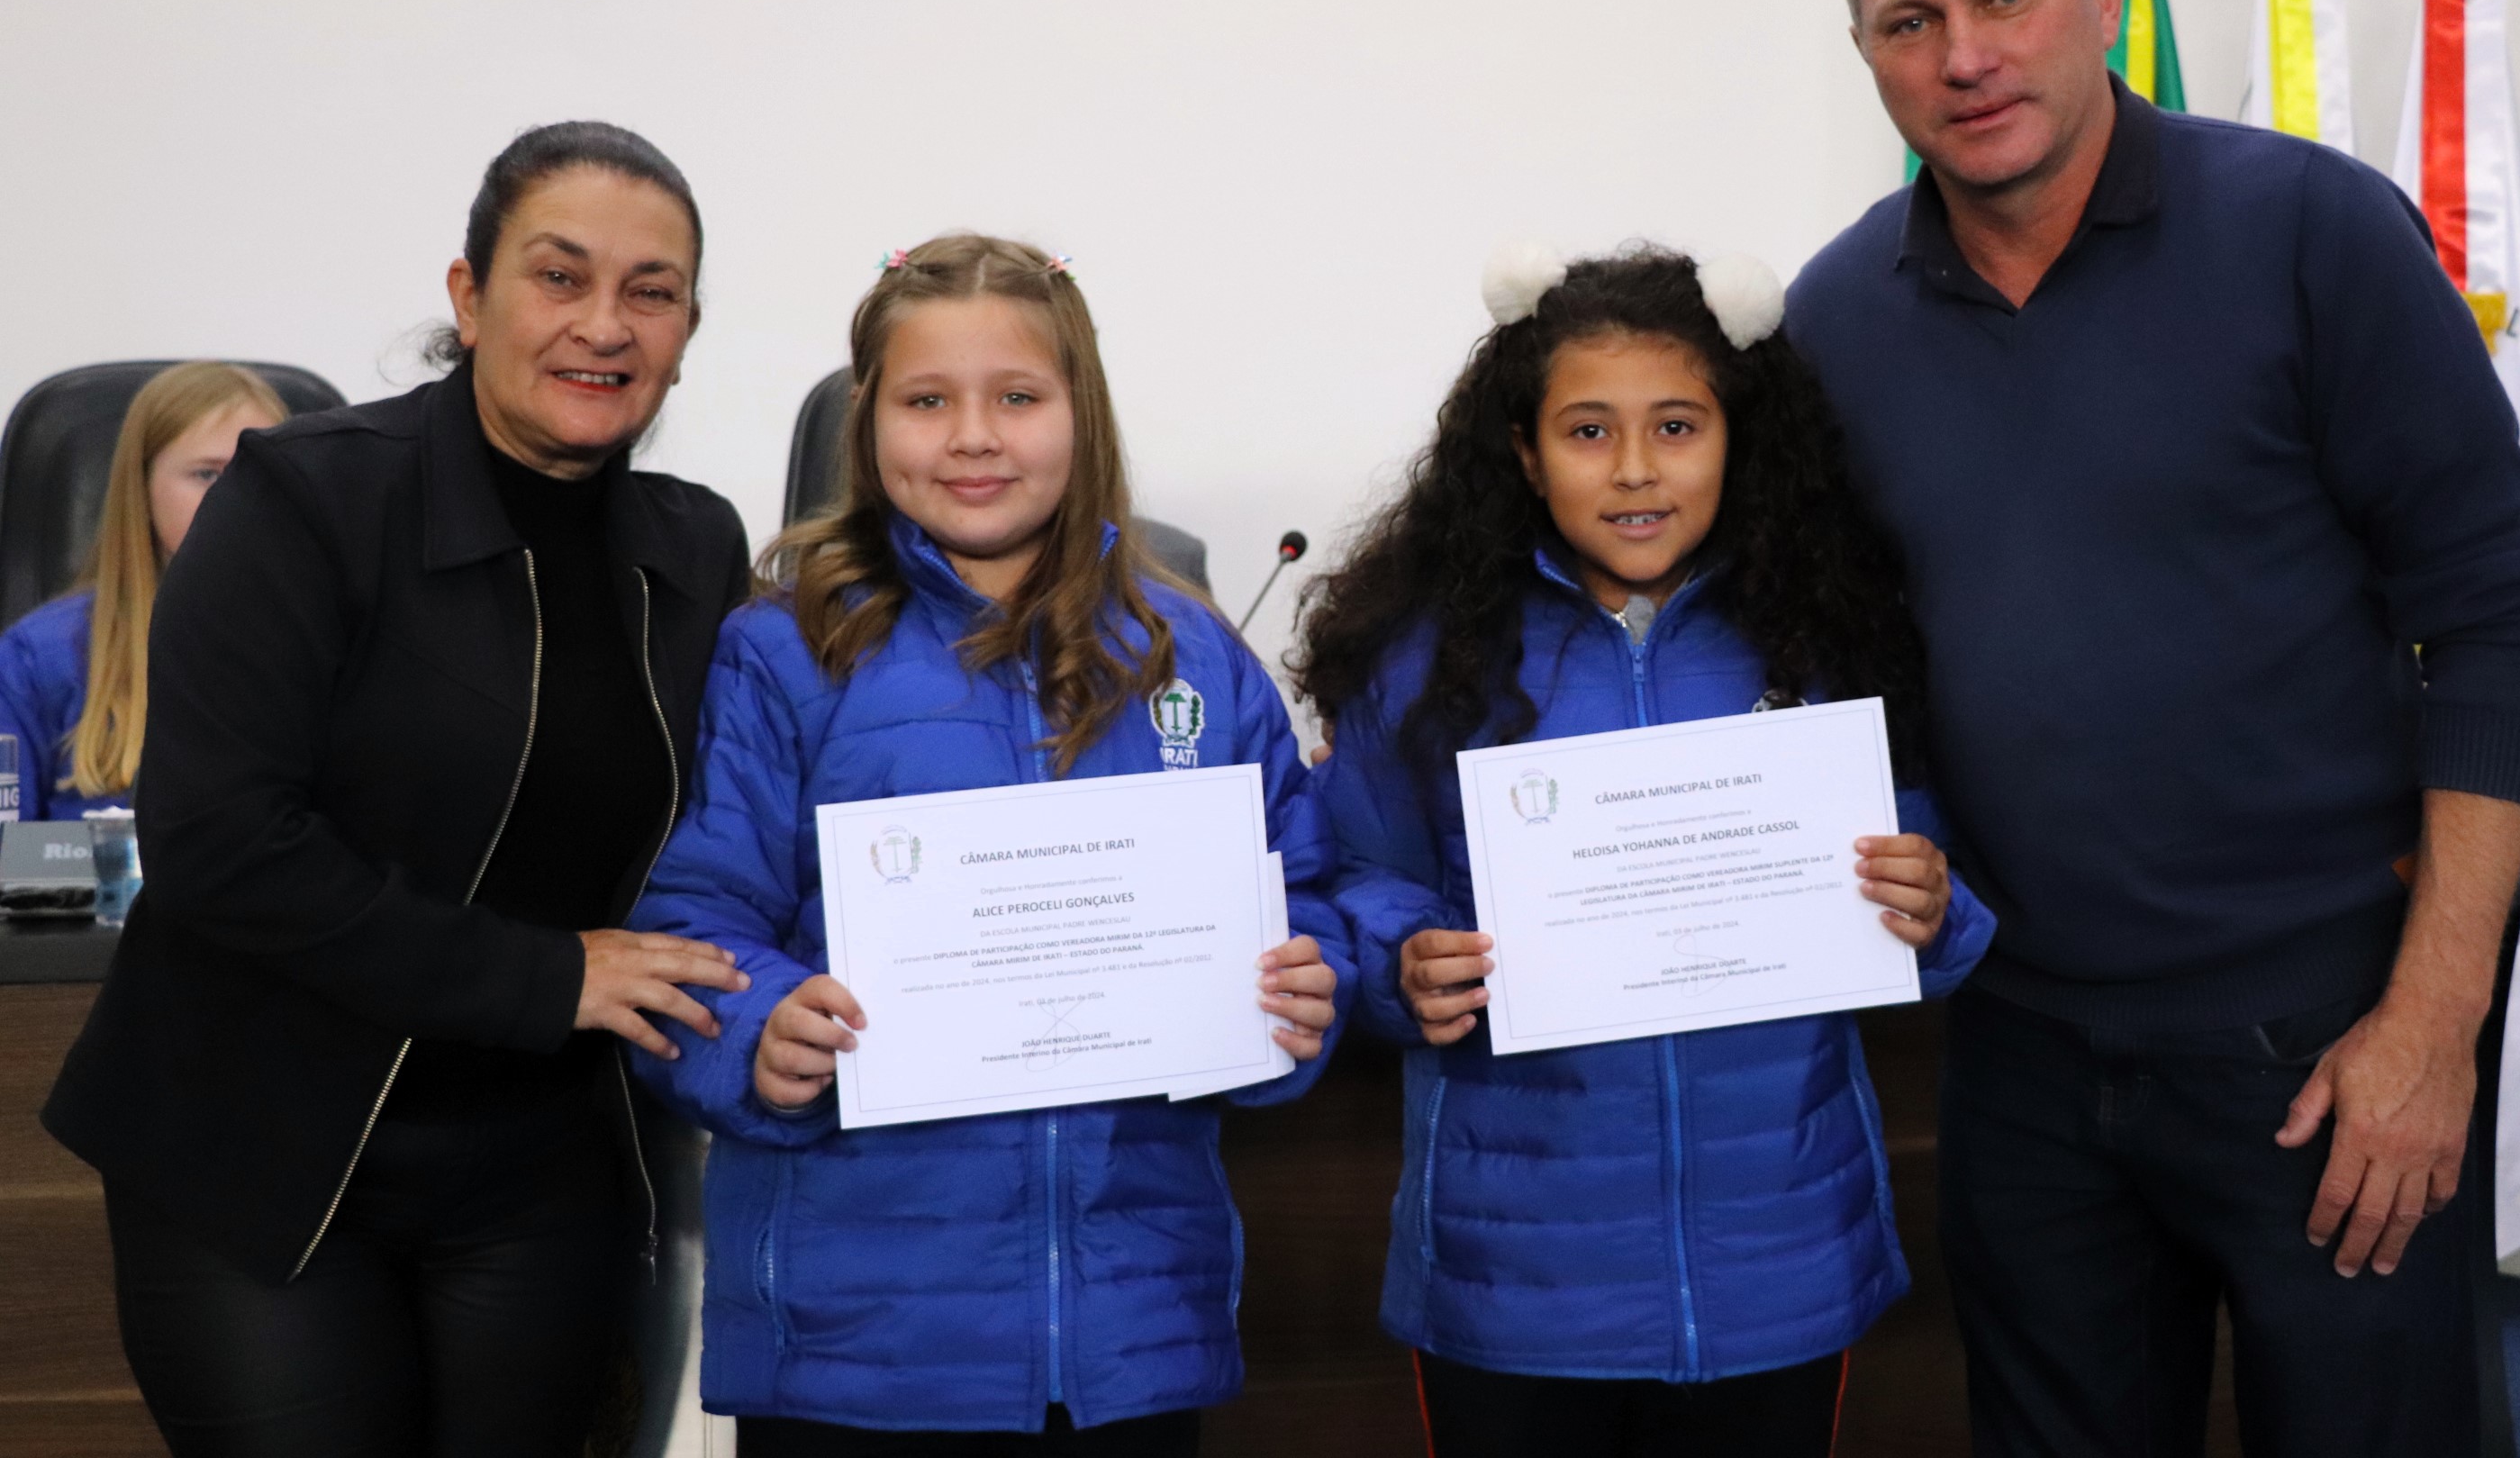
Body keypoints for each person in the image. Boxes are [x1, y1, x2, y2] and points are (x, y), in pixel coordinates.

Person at [1789, 0, 2520, 1458]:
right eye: (1911, 22)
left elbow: (2500, 618)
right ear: (1865, 55)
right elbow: (1850, 663)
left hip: (2328, 1035)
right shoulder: (1836, 317)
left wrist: (2434, 1022)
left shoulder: (2311, 231)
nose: (1964, 55)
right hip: (2018, 1047)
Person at [44, 121, 755, 1458]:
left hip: (543, 1174)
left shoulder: (694, 547)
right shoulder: (303, 500)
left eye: (650, 292)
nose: (605, 324)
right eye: (559, 276)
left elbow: (745, 823)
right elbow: (222, 842)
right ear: (470, 297)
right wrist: (550, 977)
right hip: (263, 1155)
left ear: (686, 330)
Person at [625, 233, 1351, 1454]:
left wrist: (1301, 989)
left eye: (1017, 397)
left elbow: (1305, 893)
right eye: (926, 401)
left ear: (1083, 413)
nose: (973, 437)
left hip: (1127, 1340)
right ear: (869, 422)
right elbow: (692, 922)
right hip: (853, 1351)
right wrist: (759, 1032)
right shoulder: (785, 649)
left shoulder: (1193, 657)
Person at [1296, 246, 1995, 1458]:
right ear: (1524, 453)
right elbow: (1353, 873)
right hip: (1513, 1281)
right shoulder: (1428, 657)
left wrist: (1933, 910)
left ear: (1739, 439)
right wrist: (1402, 964)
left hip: (1776, 1267)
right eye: (1587, 431)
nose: (1634, 468)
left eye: (1677, 425)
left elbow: (1921, 871)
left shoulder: (1824, 636)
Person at [0, 362, 287, 822]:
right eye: (207, 475)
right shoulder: (38, 658)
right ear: (141, 486)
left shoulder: (335, 640)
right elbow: (9, 850)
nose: (236, 497)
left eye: (259, 474)